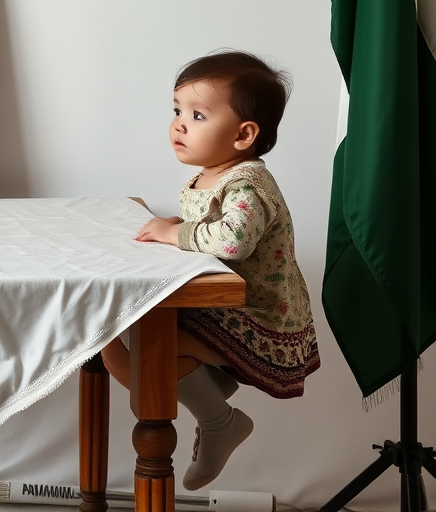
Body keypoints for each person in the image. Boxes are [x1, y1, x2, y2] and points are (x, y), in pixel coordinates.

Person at [102, 51, 319, 491]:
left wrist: (175, 233)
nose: (179, 124)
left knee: (141, 342)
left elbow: (233, 240)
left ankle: (218, 419)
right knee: (120, 338)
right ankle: (212, 395)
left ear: (243, 135)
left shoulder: (247, 184)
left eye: (197, 114)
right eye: (177, 110)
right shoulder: (212, 174)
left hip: (256, 315)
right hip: (225, 306)